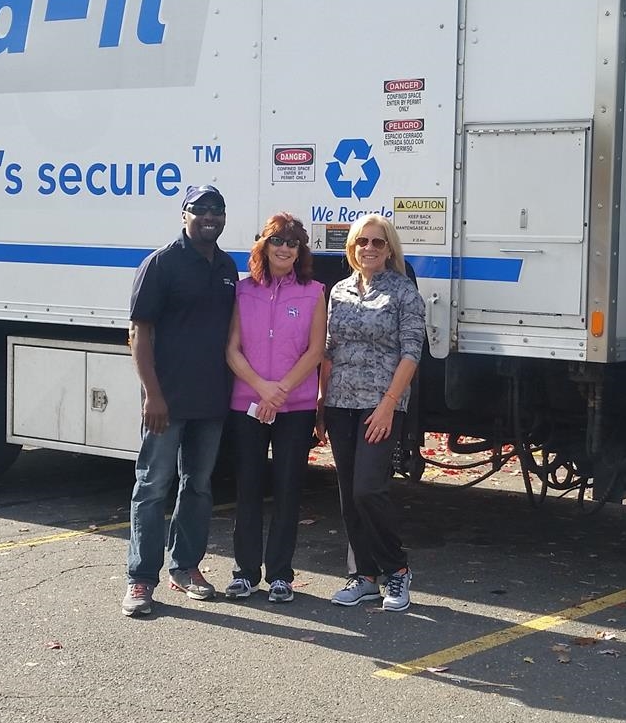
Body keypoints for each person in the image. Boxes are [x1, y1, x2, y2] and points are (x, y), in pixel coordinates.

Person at [121, 185, 238, 617]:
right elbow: (140, 333)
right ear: (184, 214)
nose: (210, 216)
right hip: (165, 400)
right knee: (152, 488)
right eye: (201, 209)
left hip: (210, 399)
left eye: (217, 210)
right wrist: (153, 394)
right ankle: (140, 579)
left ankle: (185, 567)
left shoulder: (227, 267)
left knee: (198, 487)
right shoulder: (161, 264)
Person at [319, 214, 426, 612]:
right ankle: (363, 576)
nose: (369, 248)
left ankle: (396, 570)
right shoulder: (340, 291)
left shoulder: (403, 293)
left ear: (389, 249)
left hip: (379, 405)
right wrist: (320, 403)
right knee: (349, 494)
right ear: (351, 247)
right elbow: (329, 351)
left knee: (369, 488)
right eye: (362, 241)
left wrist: (387, 405)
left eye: (378, 243)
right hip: (340, 404)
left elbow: (412, 353)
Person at [223, 213, 327, 603]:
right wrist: (261, 389)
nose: (284, 247)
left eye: (292, 242)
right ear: (263, 246)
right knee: (248, 488)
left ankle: (280, 574)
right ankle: (245, 573)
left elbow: (315, 350)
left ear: (300, 251)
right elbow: (231, 348)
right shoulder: (242, 289)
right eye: (277, 240)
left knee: (287, 489)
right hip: (247, 402)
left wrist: (279, 391)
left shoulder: (315, 291)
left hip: (294, 406)